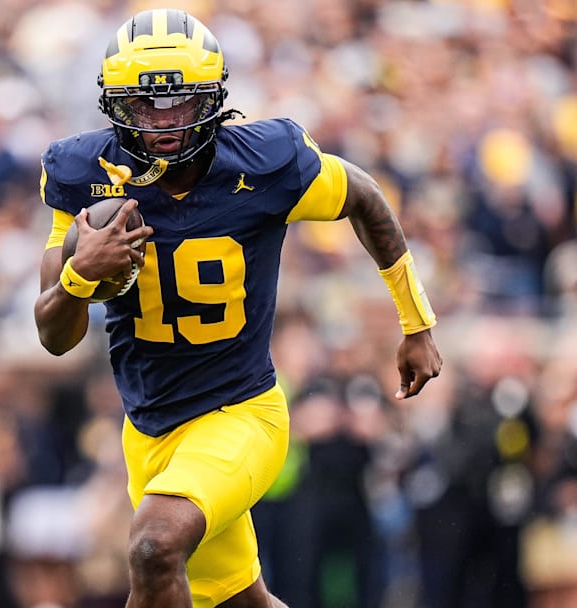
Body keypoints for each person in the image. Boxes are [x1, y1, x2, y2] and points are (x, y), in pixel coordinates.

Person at [33, 9, 443, 608]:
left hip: (241, 412)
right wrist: (79, 276)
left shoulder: (265, 162)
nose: (166, 123)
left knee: (154, 546)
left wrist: (417, 323)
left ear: (216, 99)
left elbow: (366, 198)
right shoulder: (85, 176)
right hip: (148, 427)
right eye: (146, 106)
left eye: (181, 104)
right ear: (115, 105)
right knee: (242, 600)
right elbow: (53, 334)